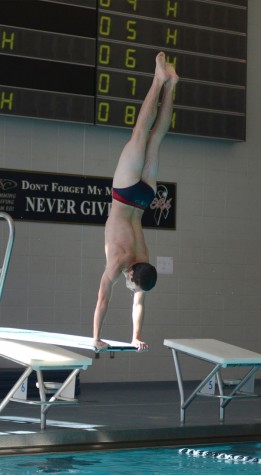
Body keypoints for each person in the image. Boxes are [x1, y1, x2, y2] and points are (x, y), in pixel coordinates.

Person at [93, 52, 179, 352]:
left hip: (145, 197)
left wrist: (135, 336)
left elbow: (139, 303)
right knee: (141, 133)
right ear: (131, 275)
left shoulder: (143, 258)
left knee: (157, 139)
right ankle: (158, 79)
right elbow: (103, 299)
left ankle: (171, 85)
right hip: (126, 193)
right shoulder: (118, 264)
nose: (131, 290)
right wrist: (96, 338)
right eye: (132, 286)